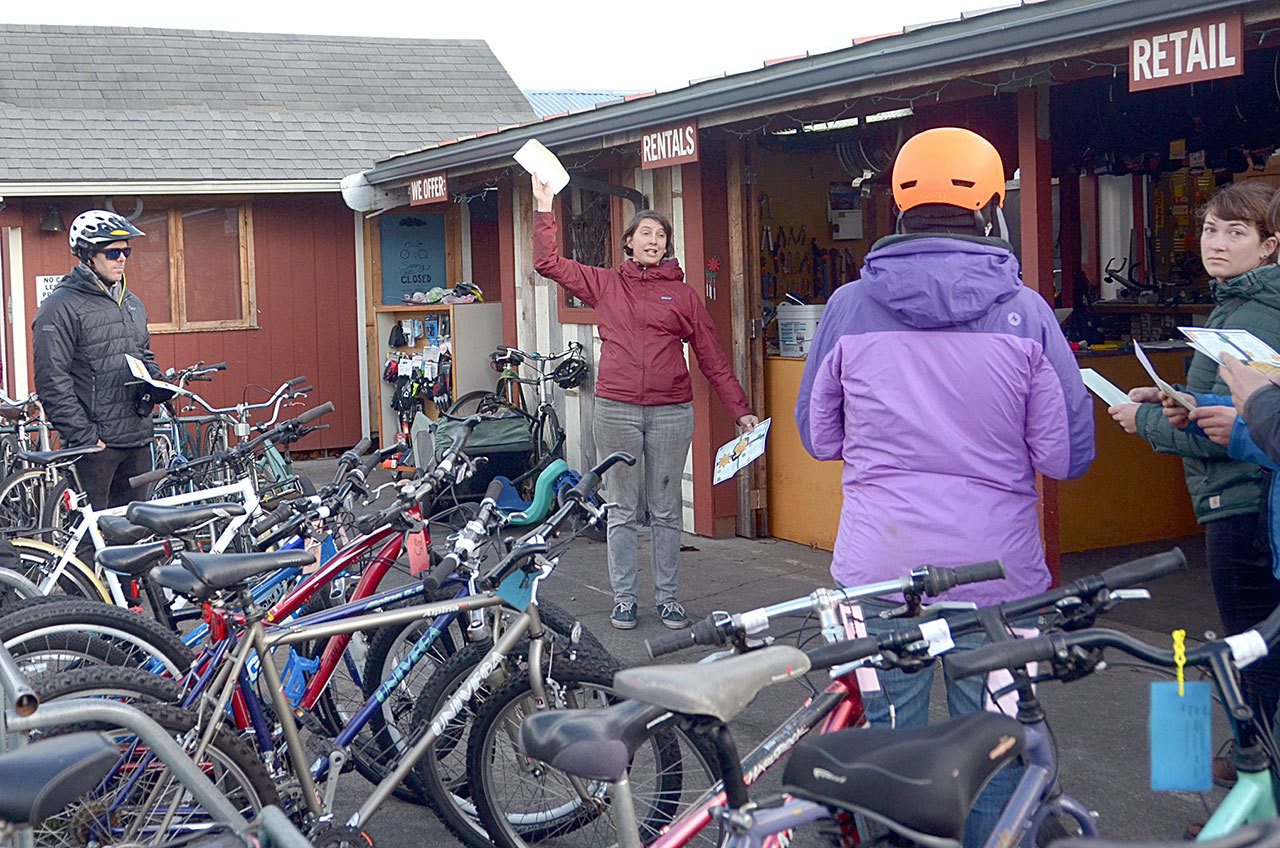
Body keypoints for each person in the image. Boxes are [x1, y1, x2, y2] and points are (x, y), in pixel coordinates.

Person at [795, 127, 1094, 848]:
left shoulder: (847, 308)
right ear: (991, 206)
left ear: (898, 202)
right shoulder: (1026, 312)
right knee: (992, 744)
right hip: (996, 572)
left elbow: (819, 437)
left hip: (879, 570)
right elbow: (1065, 455)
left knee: (888, 751)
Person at [530, 175, 759, 631]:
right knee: (621, 507)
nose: (653, 241)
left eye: (661, 235)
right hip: (615, 409)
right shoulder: (604, 284)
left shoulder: (685, 296)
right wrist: (544, 204)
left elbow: (712, 357)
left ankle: (668, 598)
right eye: (645, 234)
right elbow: (548, 262)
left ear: (667, 246)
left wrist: (741, 410)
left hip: (672, 412)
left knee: (667, 507)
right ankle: (624, 598)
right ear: (628, 243)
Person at [1107, 180, 1280, 779]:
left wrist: (1148, 420)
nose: (1217, 242)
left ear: (1269, 246)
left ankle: (1247, 783)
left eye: (1237, 232)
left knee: (1252, 652)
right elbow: (1234, 406)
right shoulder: (1237, 304)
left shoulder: (1256, 313)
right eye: (1210, 229)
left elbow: (1250, 423)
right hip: (1245, 498)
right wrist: (1172, 397)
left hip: (1243, 502)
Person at [33, 210, 163, 510]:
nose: (122, 259)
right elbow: (52, 380)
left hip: (137, 438)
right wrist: (85, 437)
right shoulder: (59, 307)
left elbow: (143, 354)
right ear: (88, 255)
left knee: (136, 537)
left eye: (126, 251)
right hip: (96, 447)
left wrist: (161, 387)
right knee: (91, 543)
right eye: (113, 252)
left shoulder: (131, 302)